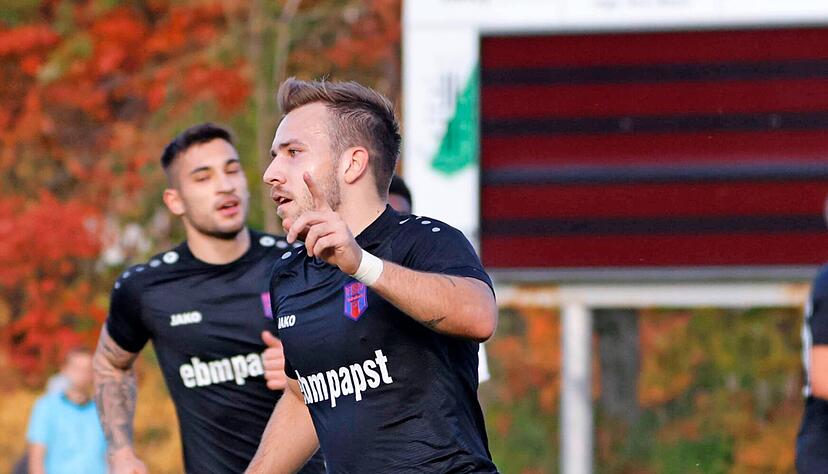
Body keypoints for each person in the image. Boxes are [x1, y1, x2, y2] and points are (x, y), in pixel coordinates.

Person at [246, 78, 499, 473]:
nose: (271, 173)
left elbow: (479, 317)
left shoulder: (425, 240)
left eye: (293, 153)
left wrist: (361, 264)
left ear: (353, 164)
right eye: (274, 155)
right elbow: (304, 396)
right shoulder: (290, 275)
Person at [92, 123, 324, 474]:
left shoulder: (300, 261)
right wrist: (120, 451)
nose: (225, 185)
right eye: (203, 177)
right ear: (175, 201)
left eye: (232, 170)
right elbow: (111, 364)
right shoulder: (146, 287)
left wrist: (309, 364)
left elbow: (369, 354)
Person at [386, 174, 492, 384]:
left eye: (400, 217)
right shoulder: (335, 282)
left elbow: (472, 387)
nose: (392, 230)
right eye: (385, 219)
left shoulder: (447, 288)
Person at [27, 347, 107, 474]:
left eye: (87, 369)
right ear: (64, 370)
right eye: (77, 369)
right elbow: (36, 459)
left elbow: (111, 456)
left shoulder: (103, 410)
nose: (82, 374)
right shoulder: (46, 406)